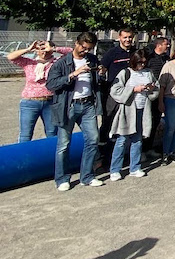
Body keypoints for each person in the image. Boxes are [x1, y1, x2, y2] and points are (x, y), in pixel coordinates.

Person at [46, 32, 103, 191]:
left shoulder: (91, 59)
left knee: (93, 139)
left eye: (89, 49)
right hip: (68, 106)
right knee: (64, 144)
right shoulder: (62, 62)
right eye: (83, 48)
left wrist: (101, 74)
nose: (85, 51)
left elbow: (96, 82)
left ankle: (87, 176)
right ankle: (62, 178)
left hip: (87, 104)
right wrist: (73, 75)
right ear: (76, 43)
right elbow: (51, 84)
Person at [6, 39, 71, 142]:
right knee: (25, 134)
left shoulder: (57, 62)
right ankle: (25, 157)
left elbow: (72, 53)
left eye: (46, 49)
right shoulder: (29, 62)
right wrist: (28, 49)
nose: (44, 52)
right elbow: (10, 57)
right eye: (41, 49)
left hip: (51, 101)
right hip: (29, 102)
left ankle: (52, 156)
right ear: (36, 51)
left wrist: (54, 48)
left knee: (52, 133)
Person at [108, 49, 159, 180]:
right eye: (139, 63)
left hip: (143, 109)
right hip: (128, 110)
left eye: (143, 63)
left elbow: (156, 87)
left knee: (137, 140)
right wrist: (134, 89)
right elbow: (115, 91)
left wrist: (151, 89)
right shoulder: (125, 73)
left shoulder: (148, 72)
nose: (141, 65)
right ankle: (115, 169)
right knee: (122, 140)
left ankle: (135, 167)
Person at [98, 28, 136, 142]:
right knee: (108, 120)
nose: (127, 39)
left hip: (131, 92)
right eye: (125, 37)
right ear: (120, 37)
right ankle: (103, 146)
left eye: (129, 37)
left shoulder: (136, 52)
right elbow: (102, 68)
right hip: (114, 93)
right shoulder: (112, 53)